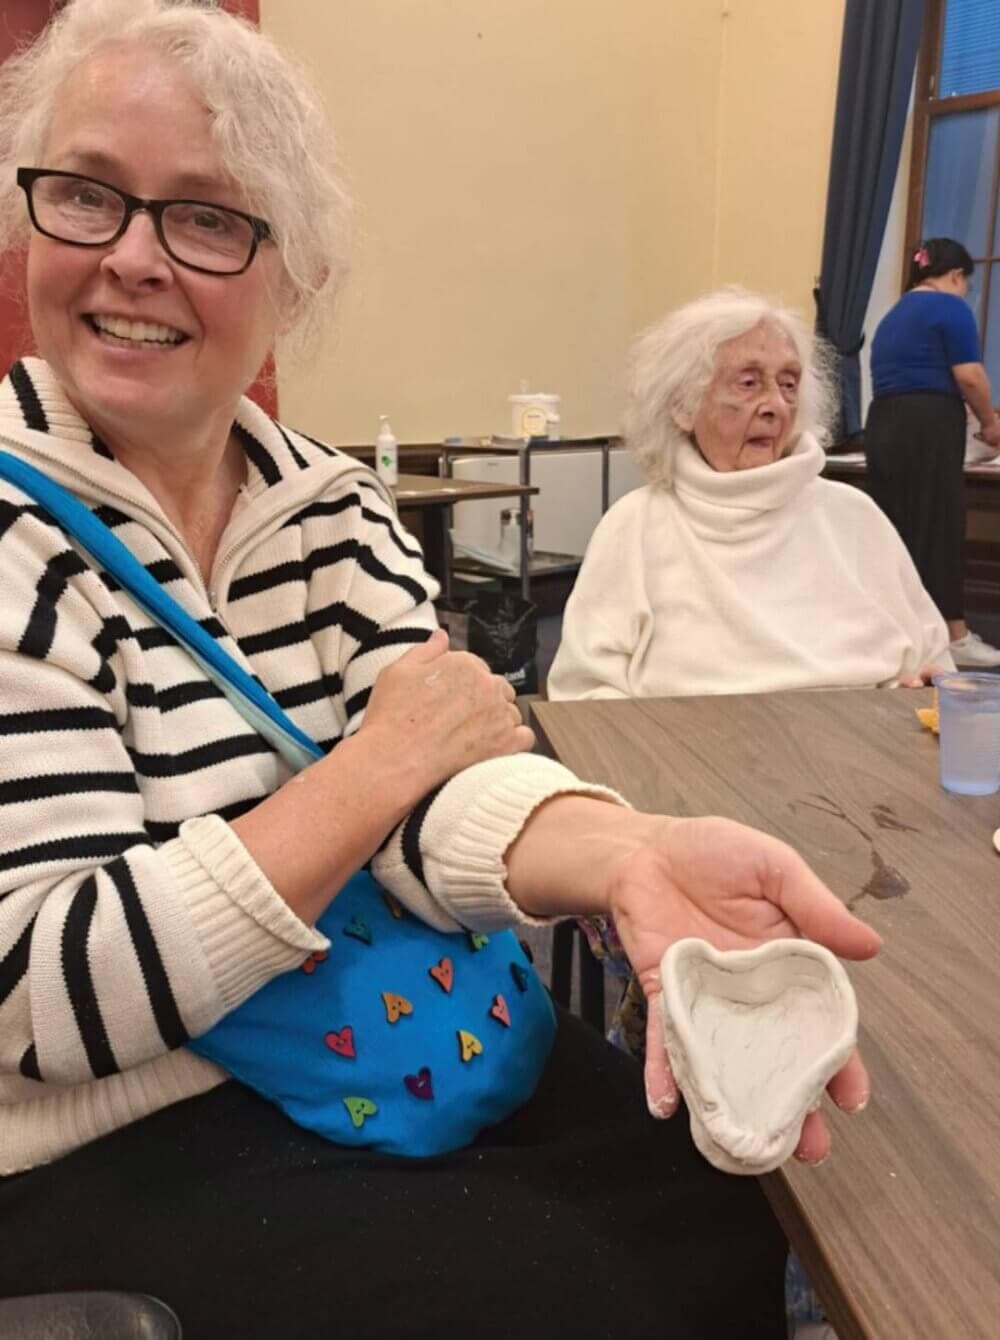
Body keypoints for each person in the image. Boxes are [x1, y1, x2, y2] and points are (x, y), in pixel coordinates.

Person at [0, 5, 880, 1336]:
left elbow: (445, 799)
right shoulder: (16, 531)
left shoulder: (335, 508)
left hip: (383, 1032)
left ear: (294, 277)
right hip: (114, 1128)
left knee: (713, 1201)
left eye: (205, 216)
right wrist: (382, 761)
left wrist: (620, 852)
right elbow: (44, 989)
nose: (132, 258)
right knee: (576, 1300)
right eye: (86, 196)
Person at [548, 287, 953, 705]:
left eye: (789, 384)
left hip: (856, 746)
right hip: (688, 755)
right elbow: (582, 694)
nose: (775, 404)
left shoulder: (853, 515)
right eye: (748, 383)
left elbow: (932, 662)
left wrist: (916, 687)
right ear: (682, 406)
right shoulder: (637, 525)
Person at [864, 237, 1000, 668]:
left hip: (883, 421)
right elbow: (971, 377)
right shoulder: (949, 307)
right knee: (941, 524)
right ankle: (954, 636)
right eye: (967, 284)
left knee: (897, 526)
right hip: (928, 423)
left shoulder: (892, 315)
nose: (966, 293)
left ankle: (901, 630)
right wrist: (991, 423)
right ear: (957, 275)